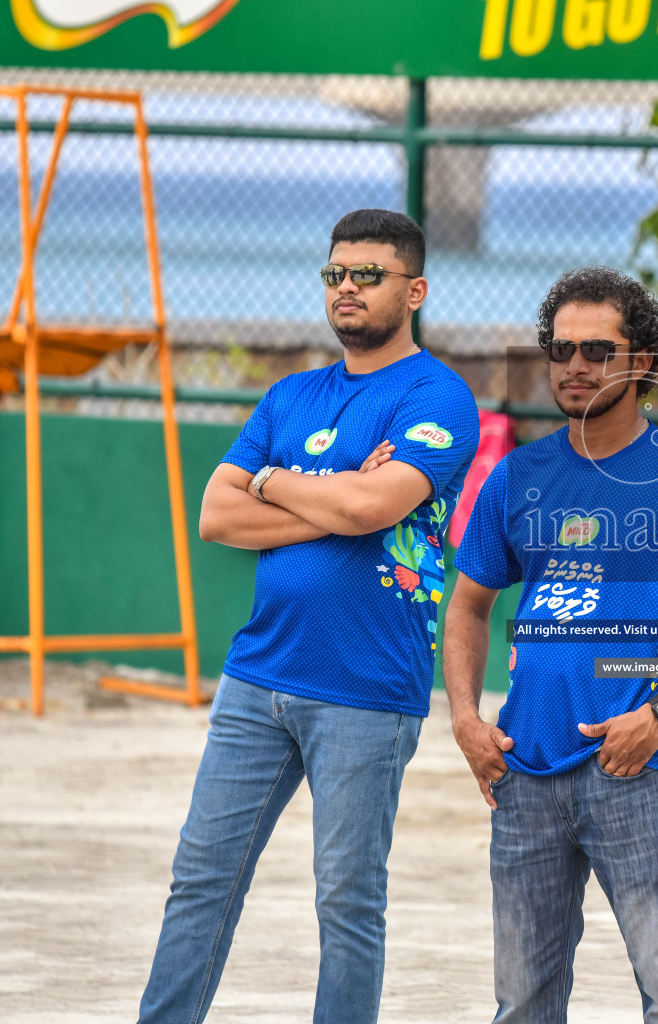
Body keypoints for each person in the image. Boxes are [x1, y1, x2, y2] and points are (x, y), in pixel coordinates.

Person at [136, 209, 479, 1024]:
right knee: (201, 881)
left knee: (347, 905)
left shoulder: (438, 396)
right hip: (257, 677)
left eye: (368, 274)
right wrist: (322, 497)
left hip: (365, 686)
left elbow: (373, 505)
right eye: (336, 274)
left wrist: (272, 481)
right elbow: (215, 517)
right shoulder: (291, 395)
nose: (349, 288)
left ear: (416, 290)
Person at [444, 267, 658, 1024]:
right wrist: (465, 717)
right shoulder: (516, 476)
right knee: (522, 1004)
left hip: (638, 771)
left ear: (646, 363)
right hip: (522, 771)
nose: (575, 366)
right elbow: (467, 607)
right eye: (560, 351)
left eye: (598, 348)